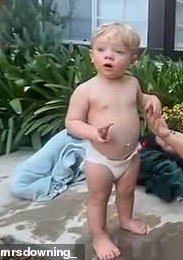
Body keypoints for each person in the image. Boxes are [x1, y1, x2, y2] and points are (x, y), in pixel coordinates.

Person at [65, 22, 161, 260]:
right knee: (98, 198)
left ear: (133, 59)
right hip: (101, 159)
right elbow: (72, 122)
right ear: (92, 56)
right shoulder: (86, 90)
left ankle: (126, 219)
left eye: (118, 52)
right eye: (102, 50)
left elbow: (141, 100)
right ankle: (99, 236)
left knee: (127, 191)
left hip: (130, 155)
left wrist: (151, 99)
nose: (109, 56)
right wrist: (93, 133)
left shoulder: (132, 84)